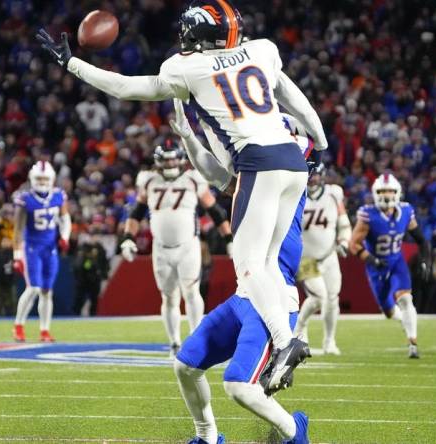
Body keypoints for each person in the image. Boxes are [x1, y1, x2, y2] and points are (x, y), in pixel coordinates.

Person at [36, 0, 327, 392]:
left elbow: (126, 87)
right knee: (269, 261)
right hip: (293, 161)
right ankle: (283, 338)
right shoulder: (263, 50)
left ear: (199, 37)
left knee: (248, 263)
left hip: (257, 162)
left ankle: (285, 340)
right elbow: (296, 100)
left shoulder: (185, 67)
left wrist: (73, 64)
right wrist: (321, 140)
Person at [169, 105, 310, 443]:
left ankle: (295, 432)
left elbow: (226, 169)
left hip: (273, 300)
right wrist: (190, 137)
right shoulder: (257, 177)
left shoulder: (284, 180)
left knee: (238, 386)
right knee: (185, 366)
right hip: (244, 296)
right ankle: (208, 437)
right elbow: (216, 174)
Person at [119, 139, 233, 357]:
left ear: (180, 159)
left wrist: (228, 238)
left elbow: (215, 211)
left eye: (173, 160)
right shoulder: (149, 181)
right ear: (158, 162)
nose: (170, 164)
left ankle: (196, 339)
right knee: (169, 297)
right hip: (160, 248)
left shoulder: (193, 179)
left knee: (191, 292)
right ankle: (174, 343)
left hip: (187, 246)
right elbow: (137, 212)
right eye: (166, 160)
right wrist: (128, 237)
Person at [349, 173, 432, 358]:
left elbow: (421, 239)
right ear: (375, 193)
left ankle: (413, 343)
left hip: (396, 261)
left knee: (405, 299)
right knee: (388, 311)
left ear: (397, 193)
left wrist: (426, 259)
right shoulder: (368, 215)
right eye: (382, 191)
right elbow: (353, 244)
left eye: (390, 191)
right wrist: (372, 260)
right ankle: (405, 320)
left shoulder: (406, 211)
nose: (386, 195)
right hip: (376, 267)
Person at [12, 161, 71, 342]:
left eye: (45, 178)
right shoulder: (26, 199)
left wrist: (65, 236)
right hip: (32, 248)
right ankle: (19, 326)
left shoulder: (58, 196)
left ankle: (44, 330)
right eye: (39, 178)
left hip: (50, 248)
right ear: (32, 178)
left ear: (52, 178)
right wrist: (17, 255)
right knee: (33, 288)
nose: (42, 182)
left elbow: (65, 218)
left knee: (47, 290)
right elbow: (18, 229)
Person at [293, 168, 350, 355]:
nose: (312, 179)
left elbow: (343, 222)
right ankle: (300, 328)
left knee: (333, 299)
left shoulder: (333, 194)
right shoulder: (295, 194)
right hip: (306, 259)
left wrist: (344, 240)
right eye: (309, 175)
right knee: (319, 298)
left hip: (329, 255)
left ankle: (329, 341)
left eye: (315, 174)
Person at [73, 236, 109, 316]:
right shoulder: (83, 248)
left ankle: (93, 315)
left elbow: (104, 263)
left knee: (94, 299)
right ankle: (75, 315)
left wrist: (102, 274)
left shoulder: (101, 249)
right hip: (83, 278)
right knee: (79, 298)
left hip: (95, 279)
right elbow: (79, 264)